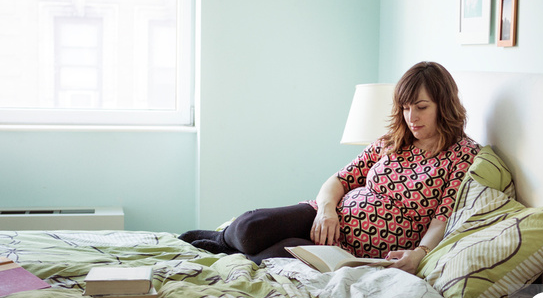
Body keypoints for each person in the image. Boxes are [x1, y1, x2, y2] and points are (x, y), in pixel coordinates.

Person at [180, 62, 481, 274]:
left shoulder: (461, 155)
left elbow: (441, 220)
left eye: (421, 106)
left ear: (444, 104)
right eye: (405, 107)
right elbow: (338, 180)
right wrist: (327, 210)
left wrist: (421, 254)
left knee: (269, 255)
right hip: (326, 218)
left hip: (353, 253)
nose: (411, 116)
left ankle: (226, 250)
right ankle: (221, 239)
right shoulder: (392, 141)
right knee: (249, 227)